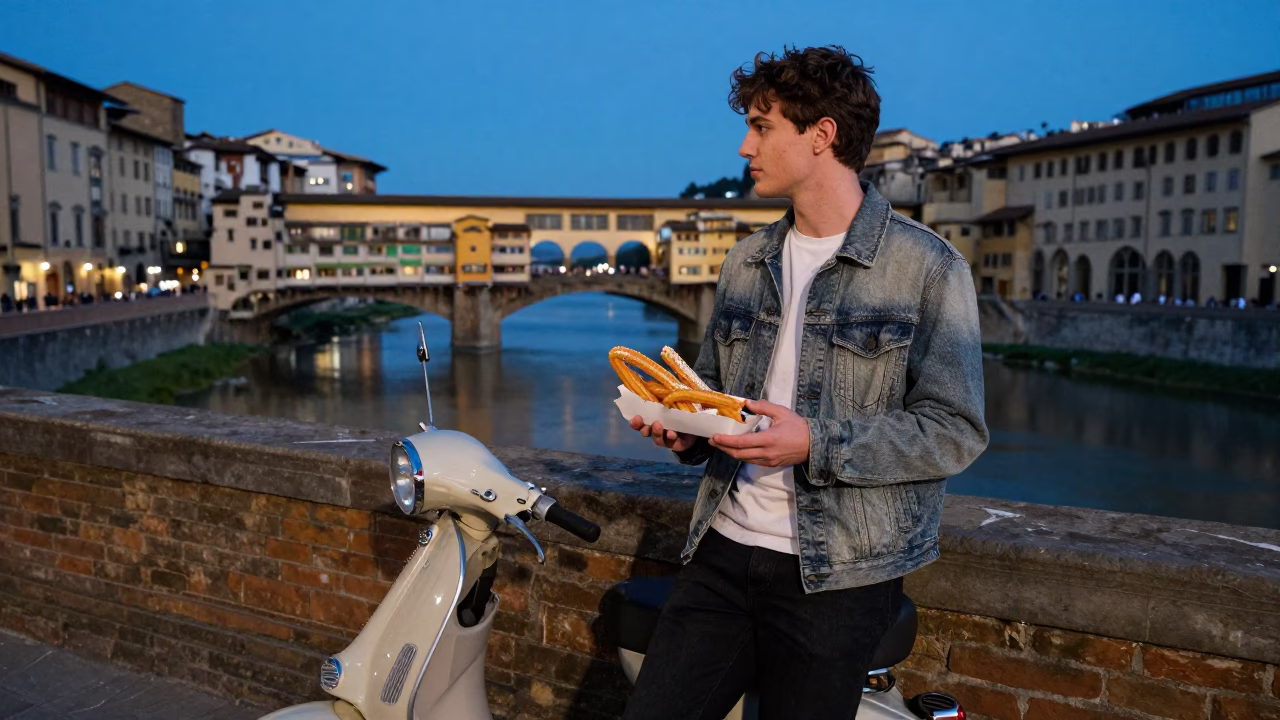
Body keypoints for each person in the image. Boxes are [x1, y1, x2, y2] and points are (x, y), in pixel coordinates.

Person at [624, 46, 988, 720]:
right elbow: (712, 392)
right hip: (724, 550)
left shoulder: (927, 268)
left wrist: (815, 442)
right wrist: (682, 429)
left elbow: (954, 430)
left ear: (821, 135)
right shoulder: (744, 261)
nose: (744, 145)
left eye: (762, 126)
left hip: (840, 576)